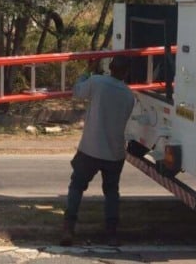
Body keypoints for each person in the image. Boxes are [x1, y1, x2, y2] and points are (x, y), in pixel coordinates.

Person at [61, 55, 135, 247]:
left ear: (110, 66)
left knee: (76, 187)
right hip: (115, 152)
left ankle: (68, 228)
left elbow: (77, 91)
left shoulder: (97, 82)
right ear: (127, 72)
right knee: (111, 192)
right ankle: (111, 233)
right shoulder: (129, 96)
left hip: (90, 149)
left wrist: (87, 71)